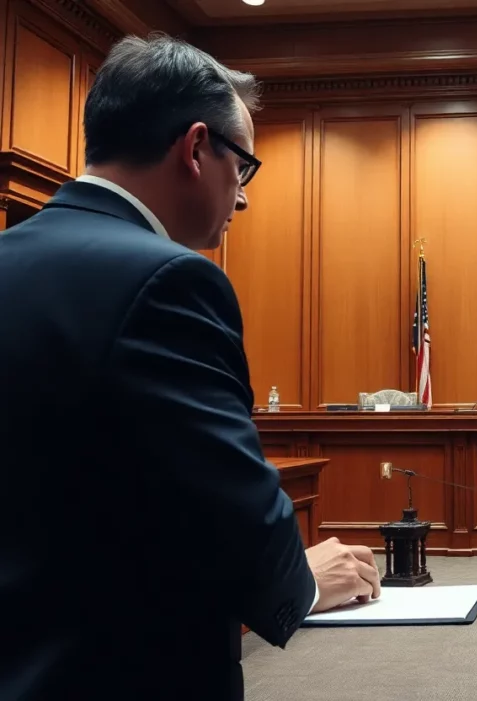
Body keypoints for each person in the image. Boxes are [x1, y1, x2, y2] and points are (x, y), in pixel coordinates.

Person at [0, 35, 379, 700]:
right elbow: (229, 505)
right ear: (197, 148)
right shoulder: (170, 280)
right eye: (245, 167)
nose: (244, 198)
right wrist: (306, 578)